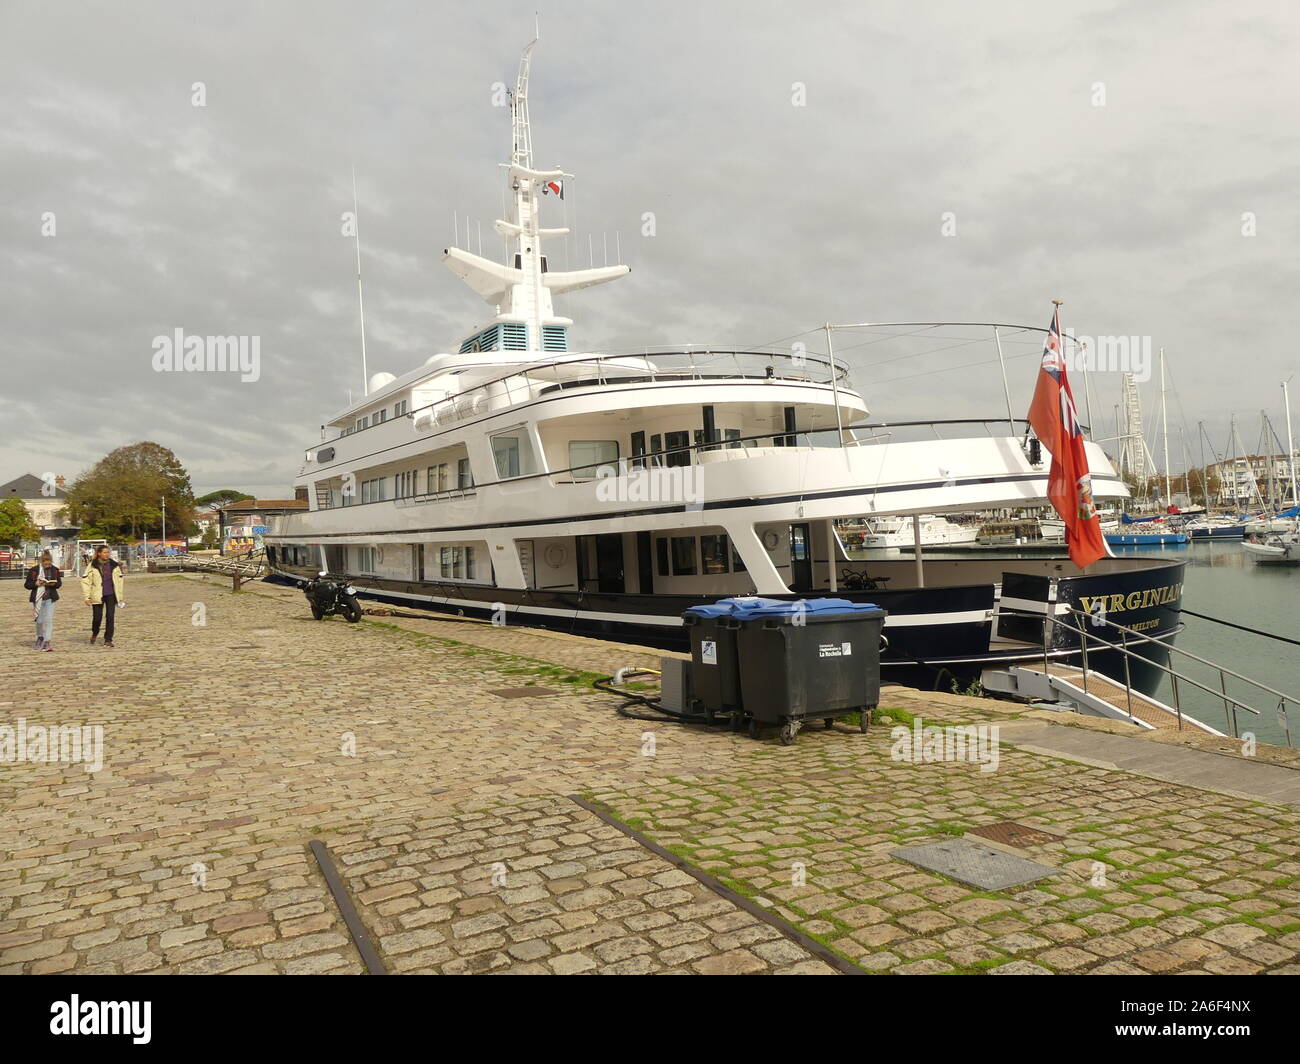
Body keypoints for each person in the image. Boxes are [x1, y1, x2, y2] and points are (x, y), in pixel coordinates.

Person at [82, 544, 125, 647]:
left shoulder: (114, 565)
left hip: (111, 594)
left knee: (110, 617)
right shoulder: (93, 565)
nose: (107, 554)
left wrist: (119, 596)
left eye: (108, 552)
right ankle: (95, 632)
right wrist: (86, 597)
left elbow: (119, 581)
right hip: (97, 594)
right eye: (104, 552)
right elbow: (86, 581)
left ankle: (108, 639)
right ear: (99, 553)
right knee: (97, 617)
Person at [24, 550, 62, 651]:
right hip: (38, 598)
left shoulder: (55, 570)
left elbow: (59, 584)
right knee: (39, 620)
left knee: (48, 620)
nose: (47, 564)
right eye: (45, 562)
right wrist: (35, 584)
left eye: (49, 562)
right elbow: (27, 585)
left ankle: (47, 642)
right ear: (41, 561)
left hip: (50, 598)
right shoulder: (34, 570)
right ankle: (40, 637)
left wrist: (53, 584)